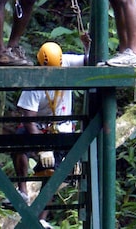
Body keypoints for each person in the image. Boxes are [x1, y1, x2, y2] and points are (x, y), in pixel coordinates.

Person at [12, 42, 87, 226]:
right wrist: (42, 148)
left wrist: (86, 47)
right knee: (18, 146)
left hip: (61, 128)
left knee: (52, 172)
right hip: (39, 127)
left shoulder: (67, 63)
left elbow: (89, 60)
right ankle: (22, 190)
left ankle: (41, 219)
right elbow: (29, 119)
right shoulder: (35, 82)